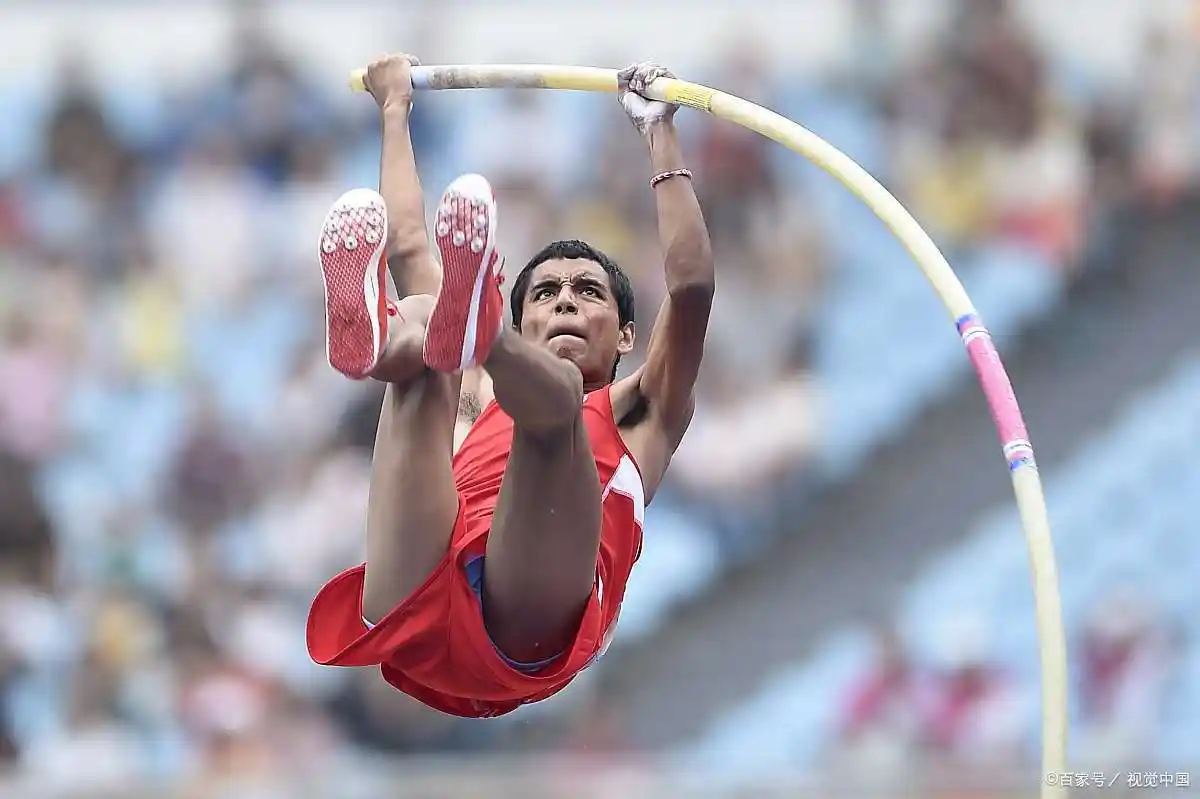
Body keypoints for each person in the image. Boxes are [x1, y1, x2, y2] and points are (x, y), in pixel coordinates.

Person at [306, 54, 715, 718]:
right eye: (547, 292)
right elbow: (408, 243)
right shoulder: (470, 384)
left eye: (588, 292)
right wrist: (393, 109)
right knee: (426, 355)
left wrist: (658, 133)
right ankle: (380, 349)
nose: (563, 303)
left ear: (627, 336)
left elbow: (692, 286)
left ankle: (457, 330)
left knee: (554, 408)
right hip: (415, 602)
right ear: (522, 319)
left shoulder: (646, 409)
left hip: (523, 628)